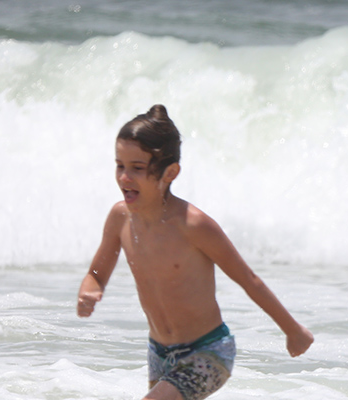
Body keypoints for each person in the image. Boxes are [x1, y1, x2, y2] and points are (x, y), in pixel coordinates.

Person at [77, 104, 314, 400]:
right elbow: (96, 274)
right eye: (120, 165)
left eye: (137, 168)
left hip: (209, 350)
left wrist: (292, 330)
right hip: (159, 354)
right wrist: (89, 291)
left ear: (170, 172)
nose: (124, 177)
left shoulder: (193, 225)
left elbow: (248, 279)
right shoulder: (119, 218)